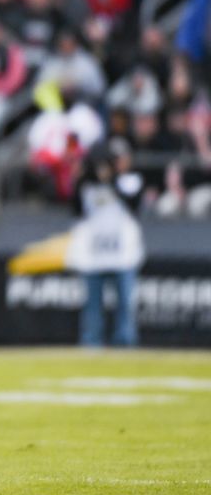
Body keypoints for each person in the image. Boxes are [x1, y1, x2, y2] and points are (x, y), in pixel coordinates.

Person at [67, 138, 145, 347]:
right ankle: (91, 344)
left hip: (122, 254)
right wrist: (82, 177)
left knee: (125, 306)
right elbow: (75, 209)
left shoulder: (130, 181)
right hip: (94, 254)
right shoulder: (87, 186)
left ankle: (125, 345)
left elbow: (134, 205)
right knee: (92, 307)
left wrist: (111, 180)